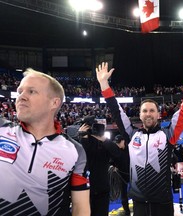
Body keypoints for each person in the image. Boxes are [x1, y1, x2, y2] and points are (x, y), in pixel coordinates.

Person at [96, 52, 183, 216]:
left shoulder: (168, 135)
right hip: (138, 203)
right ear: (140, 115)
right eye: (144, 111)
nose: (148, 114)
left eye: (152, 111)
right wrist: (104, 85)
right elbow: (116, 111)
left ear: (158, 114)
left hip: (163, 203)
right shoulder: (132, 135)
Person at [0, 68, 90, 215]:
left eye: (31, 91)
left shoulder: (75, 151)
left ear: (54, 103)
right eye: (20, 91)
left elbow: (80, 207)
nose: (21, 96)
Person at [78, 122, 123, 216]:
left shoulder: (104, 144)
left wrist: (103, 139)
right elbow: (82, 157)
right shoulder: (83, 142)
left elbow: (118, 154)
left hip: (102, 189)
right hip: (85, 190)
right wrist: (83, 137)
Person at [110, 134, 131, 216]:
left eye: (119, 142)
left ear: (123, 141)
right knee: (123, 195)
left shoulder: (129, 149)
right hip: (121, 176)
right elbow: (110, 163)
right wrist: (113, 167)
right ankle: (127, 212)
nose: (118, 144)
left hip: (132, 174)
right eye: (116, 143)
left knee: (137, 192)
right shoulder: (115, 151)